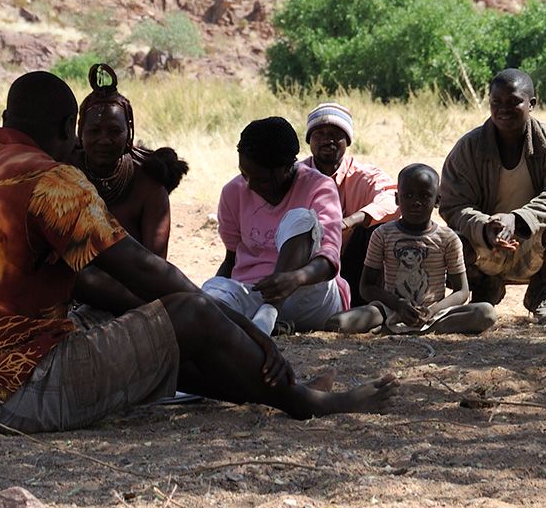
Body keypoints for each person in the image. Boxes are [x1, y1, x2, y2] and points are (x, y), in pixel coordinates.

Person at [0, 71, 395, 431]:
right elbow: (146, 272)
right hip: (19, 392)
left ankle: (274, 389)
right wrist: (254, 335)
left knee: (158, 330)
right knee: (191, 314)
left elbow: (91, 283)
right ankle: (304, 402)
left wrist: (168, 317)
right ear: (71, 127)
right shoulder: (51, 180)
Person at [439, 68, 546, 324]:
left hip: (534, 240)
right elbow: (453, 204)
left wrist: (518, 220)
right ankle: (484, 285)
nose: (503, 109)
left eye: (513, 102)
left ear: (532, 104)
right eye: (496, 102)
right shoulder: (469, 147)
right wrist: (484, 227)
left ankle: (541, 290)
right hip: (488, 243)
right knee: (449, 241)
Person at [202, 116, 363, 335]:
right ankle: (268, 324)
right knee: (210, 295)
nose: (249, 185)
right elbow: (232, 259)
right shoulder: (233, 192)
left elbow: (328, 259)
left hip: (308, 293)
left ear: (288, 167)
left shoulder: (319, 187)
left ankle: (270, 312)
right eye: (244, 174)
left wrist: (295, 278)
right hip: (254, 292)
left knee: (301, 218)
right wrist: (216, 293)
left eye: (262, 179)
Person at [353, 164, 498, 335]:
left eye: (425, 196)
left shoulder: (448, 238)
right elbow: (366, 287)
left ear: (437, 200)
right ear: (397, 199)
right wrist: (398, 305)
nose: (416, 202)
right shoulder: (382, 234)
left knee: (486, 312)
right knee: (340, 322)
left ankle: (416, 329)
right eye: (408, 195)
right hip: (392, 310)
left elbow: (462, 291)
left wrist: (432, 311)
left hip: (434, 314)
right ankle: (401, 325)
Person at [76, 64, 188, 258]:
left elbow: (156, 264)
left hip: (131, 286)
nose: (103, 140)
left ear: (129, 134)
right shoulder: (61, 173)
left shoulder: (148, 185)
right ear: (80, 133)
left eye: (114, 131)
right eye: (94, 131)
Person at [302, 102, 398, 302]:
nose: (327, 140)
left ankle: (364, 300)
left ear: (347, 140)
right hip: (304, 263)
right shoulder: (295, 176)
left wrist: (351, 220)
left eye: (336, 134)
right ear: (309, 140)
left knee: (375, 229)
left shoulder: (364, 175)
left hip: (352, 262)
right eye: (319, 134)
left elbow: (393, 199)